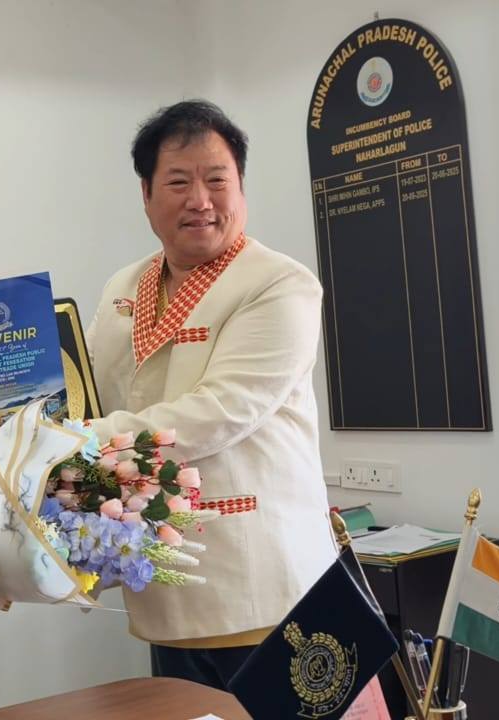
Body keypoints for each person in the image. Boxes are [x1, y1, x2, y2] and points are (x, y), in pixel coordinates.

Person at [86, 99, 337, 690]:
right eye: (178, 182)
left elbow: (220, 411)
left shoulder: (280, 284)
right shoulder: (125, 286)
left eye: (217, 181)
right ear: (146, 194)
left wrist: (73, 442)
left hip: (264, 589)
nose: (200, 200)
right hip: (166, 583)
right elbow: (86, 388)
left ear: (241, 189)